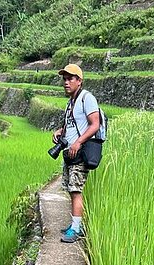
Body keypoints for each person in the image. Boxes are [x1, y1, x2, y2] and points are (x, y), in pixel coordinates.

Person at [52, 64, 100, 243]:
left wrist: (78, 142)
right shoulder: (71, 102)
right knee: (71, 190)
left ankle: (77, 229)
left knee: (76, 190)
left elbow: (95, 124)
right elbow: (72, 124)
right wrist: (60, 131)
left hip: (81, 152)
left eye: (70, 78)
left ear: (79, 81)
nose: (66, 82)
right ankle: (74, 224)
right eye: (64, 79)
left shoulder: (87, 98)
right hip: (70, 153)